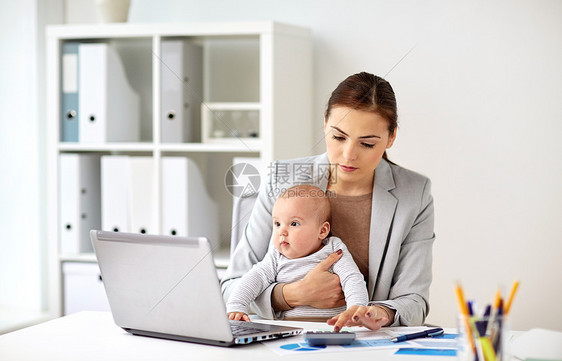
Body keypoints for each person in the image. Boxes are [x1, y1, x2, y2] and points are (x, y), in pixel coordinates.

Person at [221, 72, 435, 331]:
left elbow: (414, 301)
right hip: (285, 340)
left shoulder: (414, 192)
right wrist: (293, 295)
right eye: (338, 137)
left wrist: (379, 313)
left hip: (364, 342)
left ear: (391, 137)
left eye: (367, 144)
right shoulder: (282, 179)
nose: (348, 155)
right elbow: (231, 285)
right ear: (325, 123)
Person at [226, 184, 368, 321]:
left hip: (331, 325)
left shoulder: (332, 249)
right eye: (277, 224)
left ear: (322, 231)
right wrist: (237, 306)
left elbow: (351, 278)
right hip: (287, 327)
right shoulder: (276, 256)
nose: (282, 231)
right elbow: (254, 279)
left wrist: (356, 309)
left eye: (294, 224)